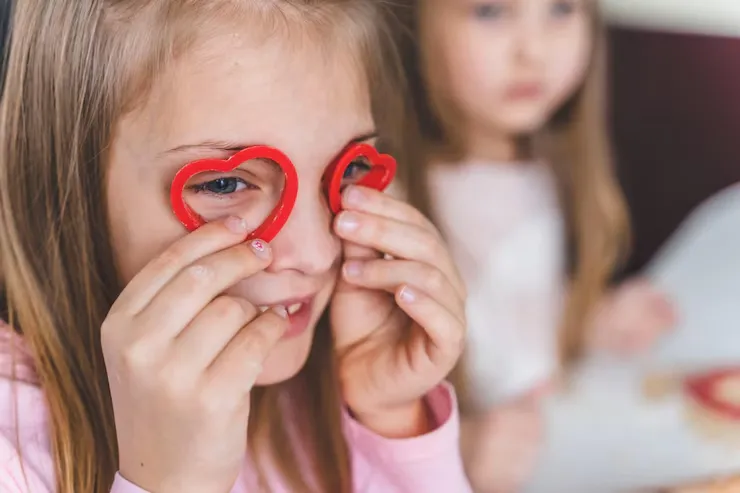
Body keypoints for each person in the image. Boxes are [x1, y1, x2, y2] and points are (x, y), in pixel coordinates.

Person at [0, 1, 471, 492]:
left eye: (350, 169)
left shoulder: (330, 397)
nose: (318, 255)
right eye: (225, 185)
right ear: (68, 180)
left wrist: (393, 423)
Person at [391, 0, 677, 491]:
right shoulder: (395, 198)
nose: (534, 51)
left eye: (561, 9)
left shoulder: (552, 167)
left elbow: (508, 307)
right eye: (490, 12)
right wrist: (457, 444)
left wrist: (586, 320)